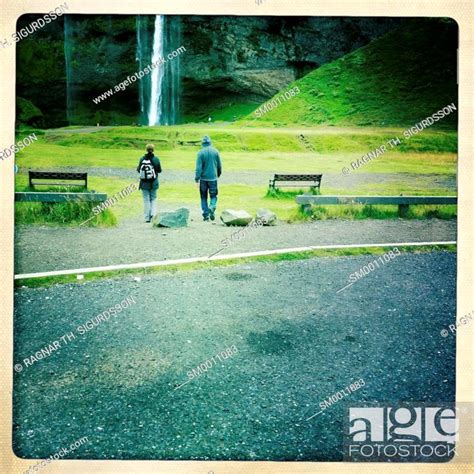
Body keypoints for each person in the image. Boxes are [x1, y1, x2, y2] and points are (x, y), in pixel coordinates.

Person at [195, 135, 222, 221]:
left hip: (203, 179)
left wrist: (197, 178)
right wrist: (218, 174)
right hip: (213, 178)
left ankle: (206, 215)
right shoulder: (216, 152)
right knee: (213, 195)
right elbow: (219, 165)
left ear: (203, 143)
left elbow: (198, 168)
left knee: (203, 197)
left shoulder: (200, 153)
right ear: (210, 143)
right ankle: (212, 206)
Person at [137, 144, 162, 223]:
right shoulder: (156, 159)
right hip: (154, 183)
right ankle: (153, 215)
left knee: (146, 200)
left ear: (146, 150)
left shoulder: (142, 159)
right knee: (153, 199)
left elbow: (138, 170)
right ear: (153, 150)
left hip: (144, 183)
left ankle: (147, 217)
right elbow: (159, 170)